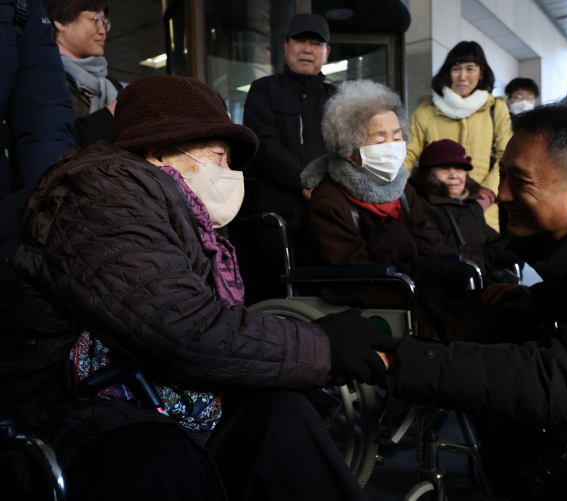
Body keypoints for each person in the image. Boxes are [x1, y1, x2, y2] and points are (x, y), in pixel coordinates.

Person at [1, 75, 394, 501]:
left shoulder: (173, 214)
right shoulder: (101, 194)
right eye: (219, 158)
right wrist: (323, 347)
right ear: (158, 153)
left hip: (142, 391)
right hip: (70, 407)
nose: (229, 174)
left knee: (281, 414)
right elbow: (180, 327)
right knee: (166, 459)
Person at [377, 101, 567, 499]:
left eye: (520, 181)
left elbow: (558, 379)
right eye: (502, 176)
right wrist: (541, 299)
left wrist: (398, 360)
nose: (500, 195)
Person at [300, 80, 475, 323]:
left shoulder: (404, 190)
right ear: (349, 148)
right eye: (380, 141)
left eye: (397, 137)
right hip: (379, 307)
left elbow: (426, 246)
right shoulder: (329, 203)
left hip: (417, 293)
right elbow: (355, 277)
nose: (392, 148)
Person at [237, 13, 336, 303]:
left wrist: (327, 191)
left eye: (316, 43)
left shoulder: (338, 98)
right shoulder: (263, 90)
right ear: (285, 46)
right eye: (300, 41)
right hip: (277, 216)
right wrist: (305, 182)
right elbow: (264, 144)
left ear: (327, 53)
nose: (307, 49)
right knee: (276, 296)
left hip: (326, 213)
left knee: (325, 293)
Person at [404, 41, 511, 232]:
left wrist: (485, 195)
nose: (462, 76)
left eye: (470, 69)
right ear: (447, 72)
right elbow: (408, 154)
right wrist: (400, 192)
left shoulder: (496, 108)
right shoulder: (427, 110)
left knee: (482, 255)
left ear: (481, 72)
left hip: (483, 207)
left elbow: (507, 155)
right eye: (456, 69)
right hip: (434, 205)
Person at [0, 0, 74, 258]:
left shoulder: (22, 8)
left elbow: (45, 123)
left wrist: (53, 212)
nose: (102, 30)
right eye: (94, 18)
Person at [408, 139, 520, 281]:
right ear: (427, 174)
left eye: (459, 168)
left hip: (479, 277)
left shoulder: (471, 204)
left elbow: (491, 239)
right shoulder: (421, 206)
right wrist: (486, 258)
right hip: (450, 282)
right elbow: (433, 250)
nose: (454, 175)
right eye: (444, 168)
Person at [43, 0, 122, 148]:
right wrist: (111, 115)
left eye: (104, 23)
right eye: (95, 20)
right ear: (61, 21)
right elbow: (50, 144)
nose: (102, 31)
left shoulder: (112, 85)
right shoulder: (42, 78)